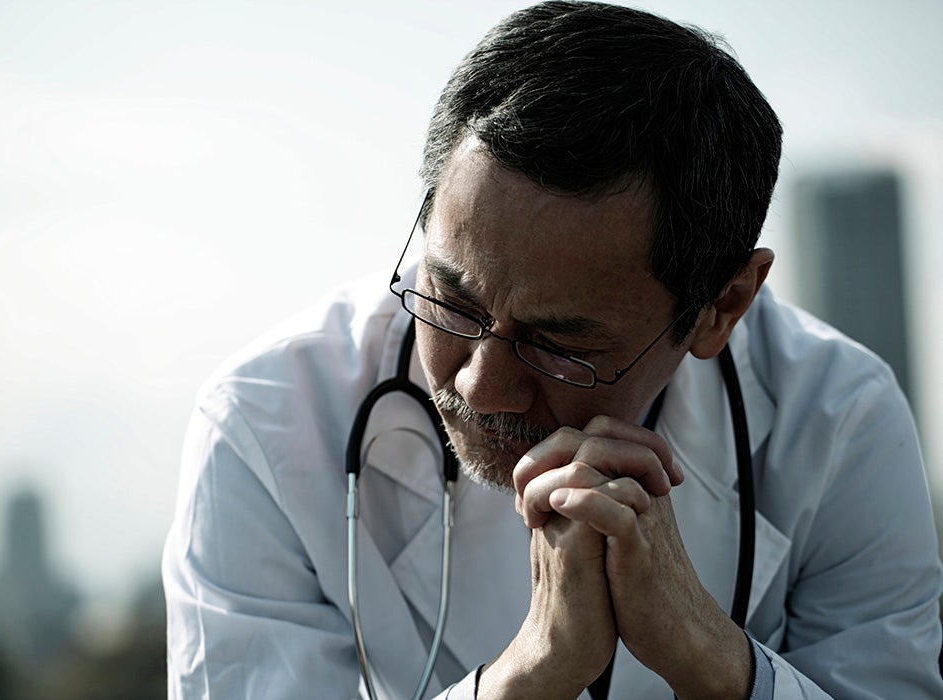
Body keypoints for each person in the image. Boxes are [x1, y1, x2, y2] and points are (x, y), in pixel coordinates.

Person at [161, 2, 943, 698]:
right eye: (452, 301)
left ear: (722, 306)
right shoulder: (264, 423)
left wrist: (714, 662)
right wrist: (528, 677)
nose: (482, 383)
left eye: (559, 345)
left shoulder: (840, 419)